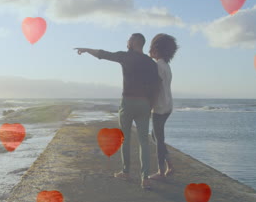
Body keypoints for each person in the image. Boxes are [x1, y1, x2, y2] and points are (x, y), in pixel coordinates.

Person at [74, 33, 161, 188]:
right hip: (144, 104)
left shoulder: (126, 56)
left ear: (134, 42)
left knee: (125, 139)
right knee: (144, 142)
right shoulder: (150, 62)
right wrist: (151, 105)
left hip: (128, 102)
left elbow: (103, 54)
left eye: (129, 40)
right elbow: (157, 86)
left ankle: (126, 172)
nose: (127, 42)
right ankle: (145, 178)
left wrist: (87, 49)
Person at [147, 33, 178, 180]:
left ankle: (161, 172)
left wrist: (149, 106)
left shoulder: (157, 66)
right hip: (168, 105)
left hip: (159, 107)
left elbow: (156, 88)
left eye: (152, 47)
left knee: (158, 139)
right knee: (155, 135)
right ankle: (170, 165)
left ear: (157, 50)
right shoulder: (166, 66)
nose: (149, 50)